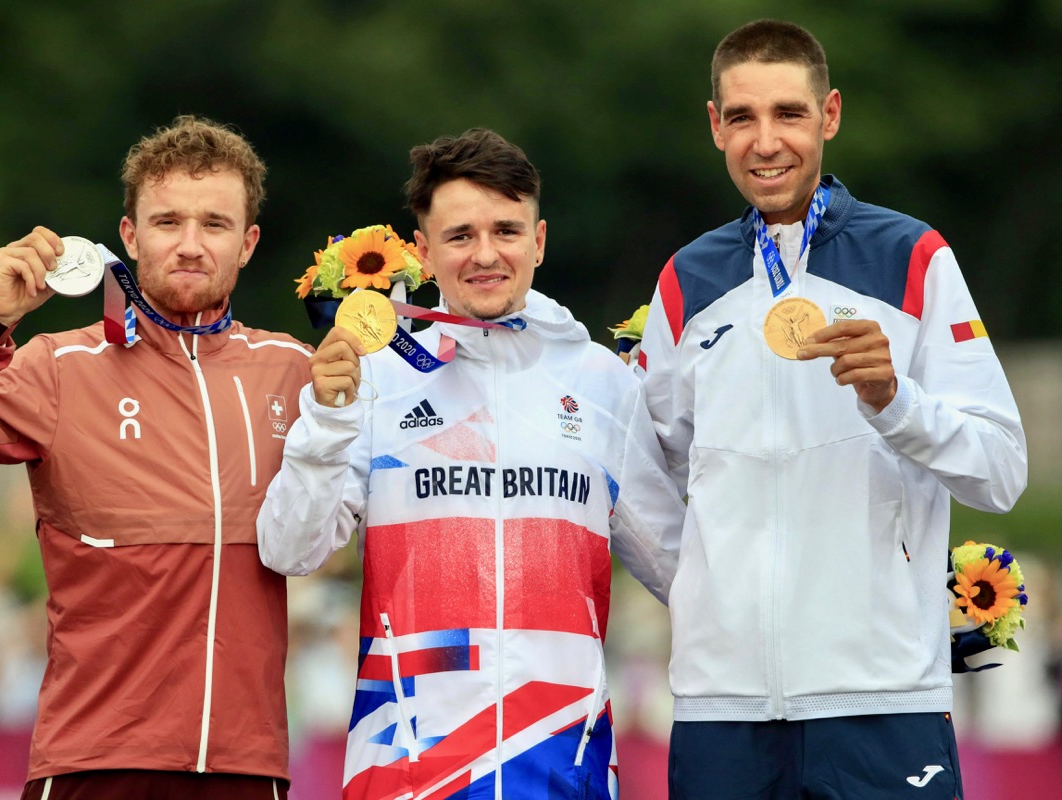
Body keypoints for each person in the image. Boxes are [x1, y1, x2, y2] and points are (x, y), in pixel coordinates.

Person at [636, 19, 1028, 799]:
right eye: (742, 117)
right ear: (715, 126)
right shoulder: (686, 281)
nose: (766, 141)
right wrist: (708, 593)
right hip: (722, 709)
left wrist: (895, 402)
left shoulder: (913, 257)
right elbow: (641, 474)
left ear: (831, 115)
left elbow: (1001, 471)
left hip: (882, 698)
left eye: (789, 113)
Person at [257, 128, 685, 799]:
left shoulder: (603, 384)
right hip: (403, 773)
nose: (486, 255)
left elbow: (683, 572)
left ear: (539, 241)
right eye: (460, 236)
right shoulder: (376, 379)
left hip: (561, 768)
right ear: (424, 252)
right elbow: (290, 548)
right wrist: (328, 417)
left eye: (507, 231)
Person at [0, 115, 311, 799]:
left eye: (215, 224)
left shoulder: (293, 372)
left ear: (248, 243)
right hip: (93, 762)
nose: (190, 244)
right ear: (129, 235)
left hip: (245, 764)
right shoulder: (60, 365)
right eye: (168, 221)